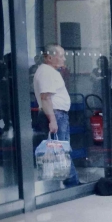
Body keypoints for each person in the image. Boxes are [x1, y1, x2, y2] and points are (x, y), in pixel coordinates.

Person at [33, 44, 79, 187]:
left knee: (61, 150)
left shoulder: (49, 71)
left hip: (58, 114)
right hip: (55, 114)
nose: (64, 59)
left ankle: (70, 182)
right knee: (60, 151)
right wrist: (52, 120)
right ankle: (72, 183)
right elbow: (45, 98)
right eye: (61, 56)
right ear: (50, 57)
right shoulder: (47, 72)